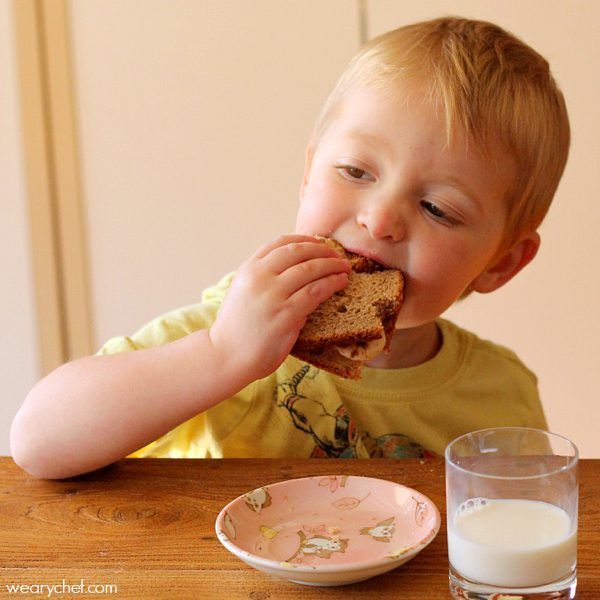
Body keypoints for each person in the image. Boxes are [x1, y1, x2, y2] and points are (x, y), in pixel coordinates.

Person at [10, 16, 570, 479]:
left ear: (500, 262)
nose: (379, 220)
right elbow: (38, 443)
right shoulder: (235, 331)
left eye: (437, 209)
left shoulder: (501, 394)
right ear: (308, 175)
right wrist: (221, 354)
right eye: (355, 170)